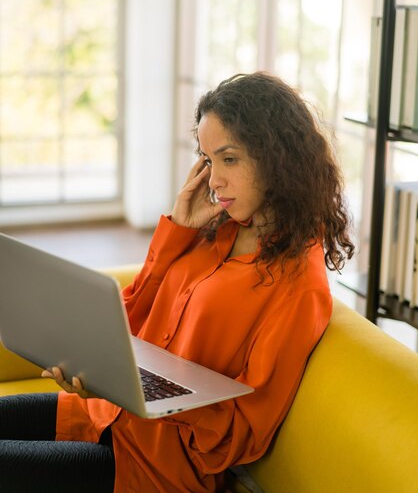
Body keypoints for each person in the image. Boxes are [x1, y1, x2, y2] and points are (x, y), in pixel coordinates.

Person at [0, 72, 354, 493]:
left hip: (152, 469)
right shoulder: (212, 231)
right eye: (207, 160)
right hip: (103, 414)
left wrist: (166, 401)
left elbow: (242, 438)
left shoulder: (299, 286)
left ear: (277, 158)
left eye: (230, 158)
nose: (215, 180)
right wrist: (177, 230)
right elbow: (128, 321)